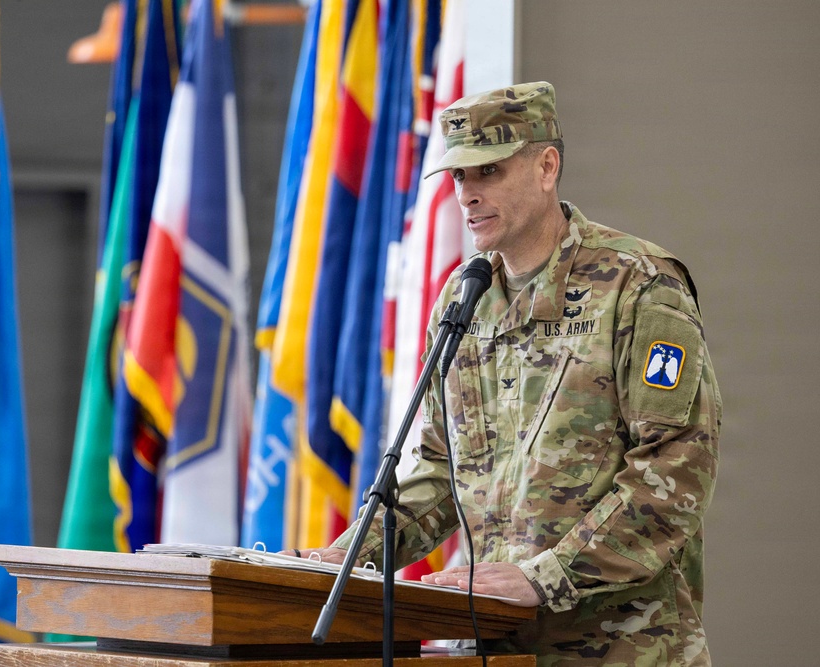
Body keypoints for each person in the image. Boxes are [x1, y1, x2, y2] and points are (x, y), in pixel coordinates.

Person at [297, 81, 721, 666]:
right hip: (494, 648)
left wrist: (544, 578)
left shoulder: (639, 286)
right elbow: (440, 470)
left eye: (488, 171)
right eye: (459, 178)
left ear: (546, 167)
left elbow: (675, 475)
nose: (467, 194)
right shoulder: (463, 299)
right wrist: (340, 563)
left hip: (622, 650)